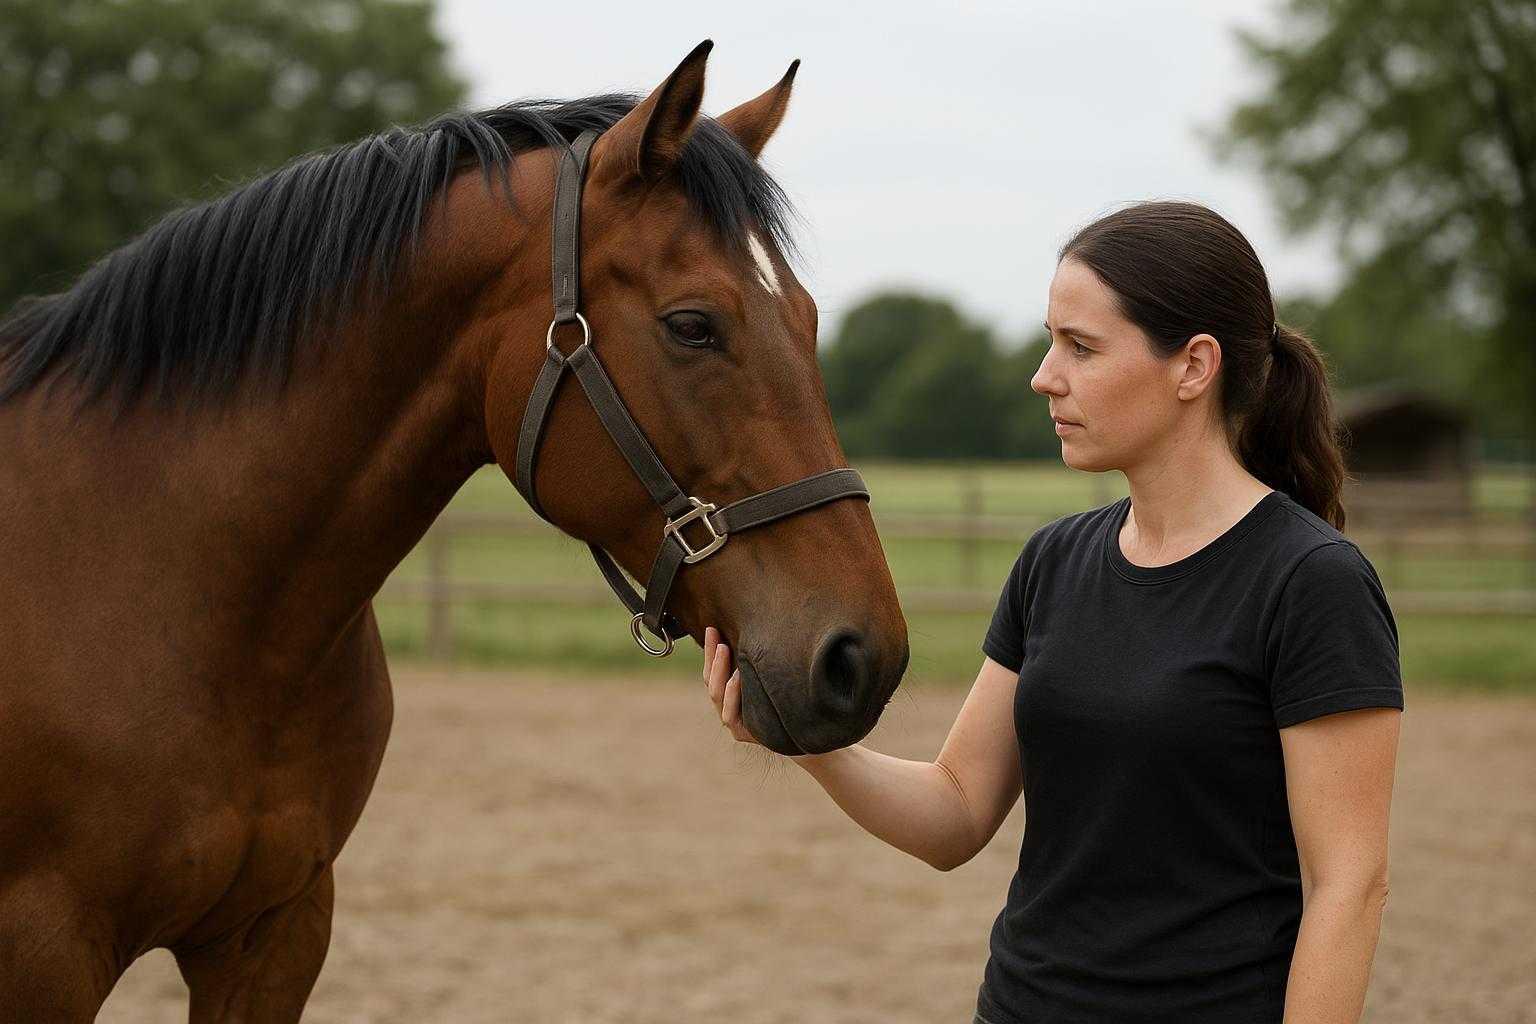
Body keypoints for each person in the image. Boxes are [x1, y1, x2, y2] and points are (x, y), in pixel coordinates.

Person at [699, 200, 1404, 1024]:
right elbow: (956, 811)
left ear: (1194, 366)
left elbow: (1347, 887)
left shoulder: (1311, 582)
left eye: (1081, 346)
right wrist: (809, 740)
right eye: (1049, 340)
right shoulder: (1055, 562)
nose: (1044, 374)